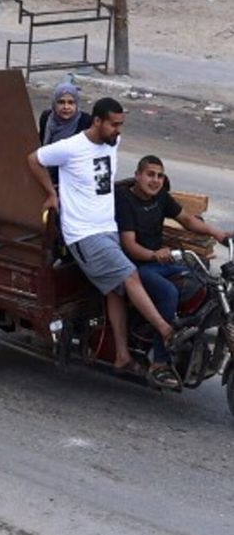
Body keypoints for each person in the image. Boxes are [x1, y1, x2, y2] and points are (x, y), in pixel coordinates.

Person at [28, 98, 188, 376]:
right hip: (84, 233)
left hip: (107, 228)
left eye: (121, 124)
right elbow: (34, 159)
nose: (118, 130)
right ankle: (166, 330)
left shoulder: (111, 143)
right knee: (129, 276)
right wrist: (52, 194)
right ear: (97, 122)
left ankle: (122, 356)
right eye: (114, 125)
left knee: (114, 290)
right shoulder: (72, 147)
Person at [115, 154, 230, 385]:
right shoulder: (125, 200)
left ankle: (187, 335)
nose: (155, 180)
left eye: (159, 176)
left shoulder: (160, 198)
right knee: (169, 293)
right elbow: (129, 244)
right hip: (137, 266)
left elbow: (187, 220)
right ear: (138, 176)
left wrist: (216, 233)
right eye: (150, 174)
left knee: (204, 280)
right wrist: (153, 254)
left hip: (160, 263)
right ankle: (160, 363)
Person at [39, 80, 93, 145]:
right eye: (61, 102)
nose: (66, 107)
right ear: (54, 103)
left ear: (76, 104)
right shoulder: (46, 117)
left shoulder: (86, 122)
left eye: (71, 102)